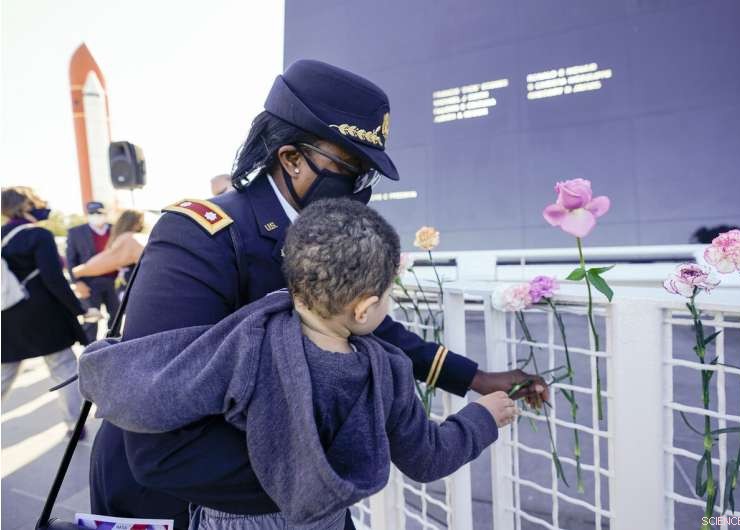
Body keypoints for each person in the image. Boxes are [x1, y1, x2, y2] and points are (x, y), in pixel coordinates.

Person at [89, 59, 548, 529]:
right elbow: (160, 436)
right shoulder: (202, 236)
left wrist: (474, 379)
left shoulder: (320, 236)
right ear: (291, 158)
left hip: (294, 500)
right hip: (186, 500)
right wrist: (322, 466)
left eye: (366, 173)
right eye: (350, 168)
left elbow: (375, 328)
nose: (357, 187)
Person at [80, 199, 515, 529]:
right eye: (388, 294)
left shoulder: (249, 334)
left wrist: (103, 361)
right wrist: (483, 418)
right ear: (364, 309)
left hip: (231, 517)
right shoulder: (387, 370)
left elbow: (163, 386)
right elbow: (427, 459)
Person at [1, 187, 88, 434]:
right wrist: (78, 308)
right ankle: (74, 425)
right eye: (37, 201)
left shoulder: (1, 235)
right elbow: (53, 279)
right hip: (43, 316)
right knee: (63, 368)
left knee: (4, 374)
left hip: (6, 315)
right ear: (26, 205)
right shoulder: (38, 235)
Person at [66, 201, 120, 340]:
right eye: (92, 213)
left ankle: (112, 344)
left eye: (99, 213)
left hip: (114, 282)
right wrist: (77, 282)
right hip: (89, 283)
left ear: (105, 213)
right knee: (91, 319)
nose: (96, 216)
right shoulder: (76, 232)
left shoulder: (116, 230)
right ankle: (89, 351)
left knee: (116, 317)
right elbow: (71, 259)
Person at [72, 210, 146, 301]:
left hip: (136, 290)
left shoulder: (129, 238)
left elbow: (104, 262)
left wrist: (77, 272)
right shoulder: (136, 237)